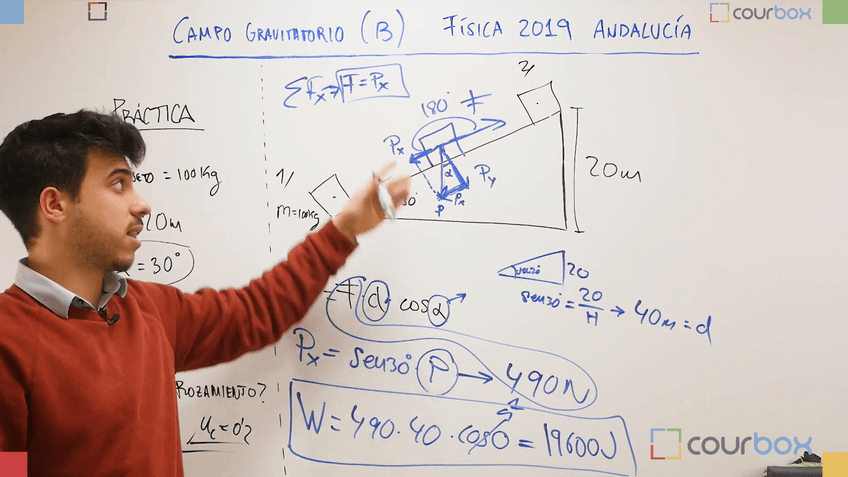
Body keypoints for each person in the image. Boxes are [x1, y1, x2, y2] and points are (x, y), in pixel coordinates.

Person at [0, 110, 410, 476]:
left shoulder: (151, 311)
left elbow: (256, 312)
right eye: (118, 184)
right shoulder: (9, 341)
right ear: (55, 205)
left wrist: (344, 230)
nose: (142, 205)